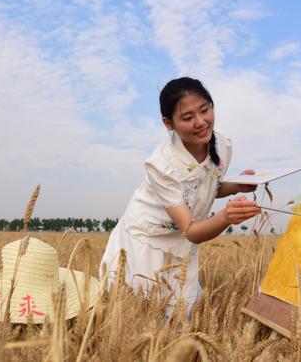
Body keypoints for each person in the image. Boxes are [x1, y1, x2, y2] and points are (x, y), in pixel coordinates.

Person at [99, 76, 261, 316]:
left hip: (179, 243)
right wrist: (226, 217)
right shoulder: (161, 165)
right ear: (169, 123)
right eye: (187, 118)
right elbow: (191, 231)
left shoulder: (222, 144)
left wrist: (237, 185)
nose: (200, 122)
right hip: (146, 242)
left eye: (205, 110)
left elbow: (205, 189)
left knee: (182, 316)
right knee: (139, 316)